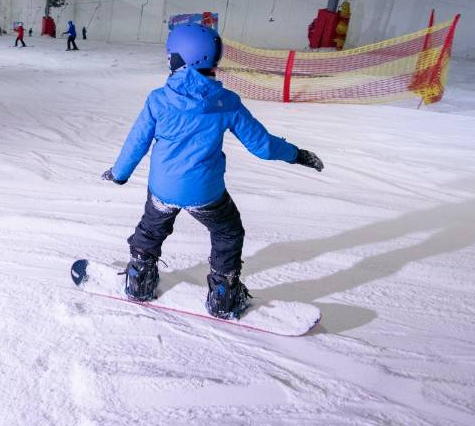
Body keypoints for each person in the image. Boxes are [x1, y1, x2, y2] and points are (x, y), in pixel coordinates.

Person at [101, 23, 324, 319]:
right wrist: (296, 154)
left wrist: (119, 173)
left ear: (178, 59)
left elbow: (136, 142)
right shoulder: (226, 102)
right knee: (228, 232)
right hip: (206, 192)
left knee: (151, 228)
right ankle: (223, 293)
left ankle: (139, 277)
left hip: (163, 187)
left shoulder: (158, 100)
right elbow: (263, 146)